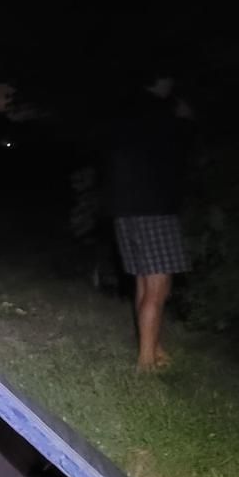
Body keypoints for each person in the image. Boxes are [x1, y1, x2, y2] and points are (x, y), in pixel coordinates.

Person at [103, 78, 192, 371]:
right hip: (154, 209)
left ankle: (154, 348)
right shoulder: (163, 114)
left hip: (124, 209)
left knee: (144, 282)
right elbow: (178, 152)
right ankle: (145, 362)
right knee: (158, 288)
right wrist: (183, 122)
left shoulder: (125, 109)